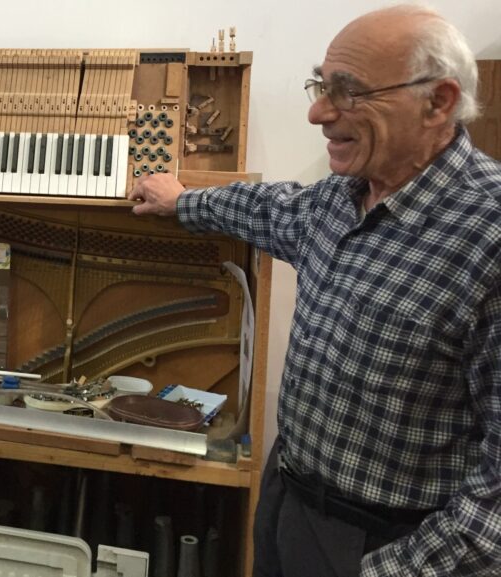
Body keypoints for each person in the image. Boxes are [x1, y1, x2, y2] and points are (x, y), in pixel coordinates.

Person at [130, 5, 500, 577]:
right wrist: (182, 200)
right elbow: (270, 208)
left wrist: (385, 571)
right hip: (288, 501)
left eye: (348, 91)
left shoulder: (490, 237)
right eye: (321, 86)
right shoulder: (342, 196)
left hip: (388, 545)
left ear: (439, 101)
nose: (318, 112)